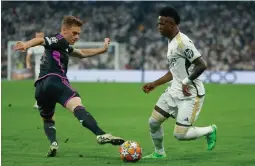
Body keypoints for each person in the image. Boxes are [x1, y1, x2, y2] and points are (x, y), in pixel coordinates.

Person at [13, 16, 125, 157]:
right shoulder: (58, 39)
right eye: (74, 33)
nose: (77, 36)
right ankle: (100, 134)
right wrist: (26, 44)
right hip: (56, 80)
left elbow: (82, 53)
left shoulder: (64, 46)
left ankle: (53, 143)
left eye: (79, 33)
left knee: (48, 119)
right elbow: (41, 40)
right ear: (64, 30)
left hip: (40, 87)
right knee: (77, 105)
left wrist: (102, 50)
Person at [142, 7, 217, 159]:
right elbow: (174, 71)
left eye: (161, 24)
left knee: (180, 135)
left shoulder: (183, 42)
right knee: (153, 122)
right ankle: (159, 153)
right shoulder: (171, 42)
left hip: (190, 94)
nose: (159, 27)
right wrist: (155, 83)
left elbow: (202, 65)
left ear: (171, 24)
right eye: (158, 23)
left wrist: (186, 81)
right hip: (174, 91)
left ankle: (210, 130)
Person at [25, 32, 45, 109]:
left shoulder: (47, 45)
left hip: (48, 67)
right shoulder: (33, 46)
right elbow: (28, 55)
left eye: (40, 36)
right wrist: (28, 64)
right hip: (38, 68)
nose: (39, 37)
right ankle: (38, 102)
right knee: (39, 84)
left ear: (43, 36)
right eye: (37, 36)